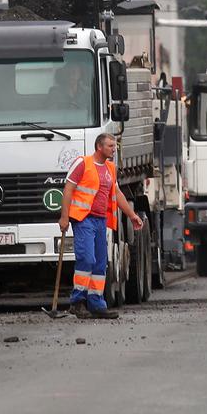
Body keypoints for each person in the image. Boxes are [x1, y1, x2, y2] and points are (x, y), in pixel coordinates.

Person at [58, 134, 144, 319]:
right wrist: (64, 217)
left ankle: (96, 304)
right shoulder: (82, 163)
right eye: (110, 146)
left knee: (100, 263)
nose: (114, 149)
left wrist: (132, 215)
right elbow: (68, 189)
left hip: (100, 220)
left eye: (115, 146)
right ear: (99, 146)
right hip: (83, 219)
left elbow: (117, 193)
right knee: (87, 259)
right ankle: (78, 302)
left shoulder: (110, 168)